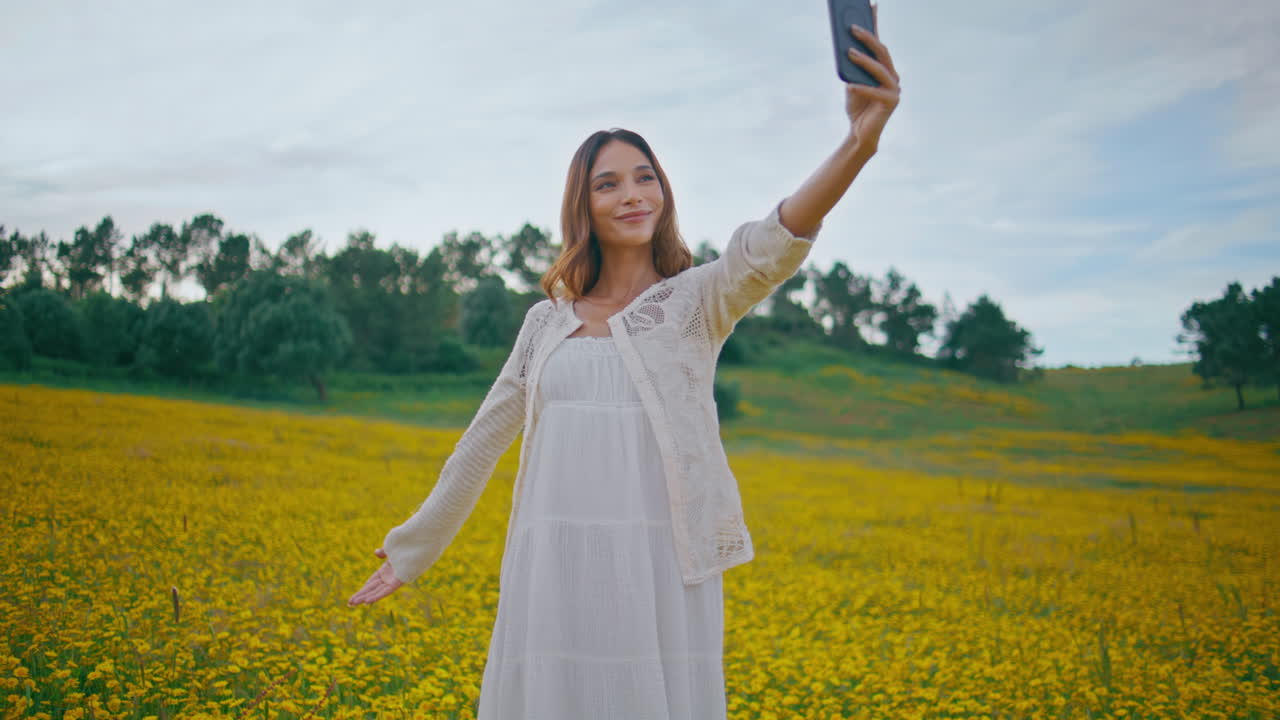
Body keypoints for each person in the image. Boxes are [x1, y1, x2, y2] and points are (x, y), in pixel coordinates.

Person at [348, 9, 899, 718]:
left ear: (662, 192)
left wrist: (859, 141)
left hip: (663, 570)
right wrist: (413, 547)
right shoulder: (545, 324)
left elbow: (777, 240)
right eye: (608, 183)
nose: (632, 194)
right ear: (584, 204)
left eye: (645, 177)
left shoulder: (695, 303)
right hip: (556, 566)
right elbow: (482, 441)